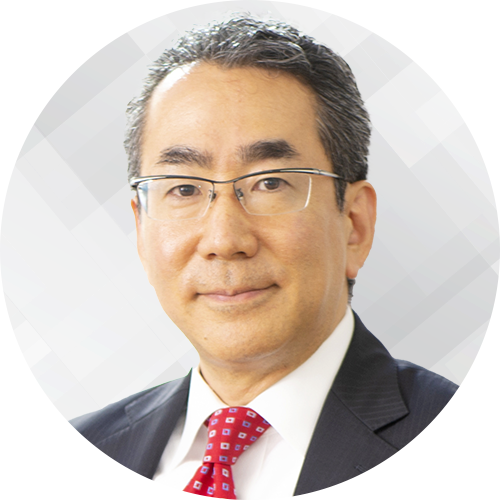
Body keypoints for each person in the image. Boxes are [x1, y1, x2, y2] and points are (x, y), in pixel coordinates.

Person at [70, 16, 457, 498]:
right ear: (141, 231)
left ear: (354, 224)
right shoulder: (77, 456)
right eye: (184, 189)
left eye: (270, 183)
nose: (224, 239)